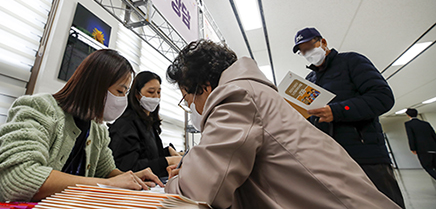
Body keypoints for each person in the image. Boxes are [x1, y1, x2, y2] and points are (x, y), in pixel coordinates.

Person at [164, 39, 400, 209]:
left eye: (188, 99)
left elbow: (197, 194)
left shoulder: (236, 95)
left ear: (205, 87)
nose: (191, 108)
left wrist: (178, 179)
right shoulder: (253, 91)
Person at [0, 49, 162, 204]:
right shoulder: (40, 108)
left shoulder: (97, 129)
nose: (122, 100)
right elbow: (18, 179)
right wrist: (108, 184)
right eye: (120, 91)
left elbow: (107, 170)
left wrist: (132, 178)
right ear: (96, 85)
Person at [292, 27, 405, 208]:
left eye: (309, 47)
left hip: (366, 157)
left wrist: (337, 111)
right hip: (332, 160)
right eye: (303, 51)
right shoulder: (310, 79)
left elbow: (382, 97)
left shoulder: (351, 61)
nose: (307, 53)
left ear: (323, 42)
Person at [108, 71, 182, 178]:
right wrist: (167, 161)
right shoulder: (126, 124)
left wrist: (168, 151)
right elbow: (128, 167)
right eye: (151, 92)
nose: (156, 97)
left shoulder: (148, 123)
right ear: (137, 94)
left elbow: (150, 154)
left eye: (158, 92)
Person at [405, 108, 436, 180]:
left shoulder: (408, 124)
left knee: (427, 167)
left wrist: (412, 148)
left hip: (422, 149)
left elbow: (411, 136)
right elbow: (433, 135)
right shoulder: (426, 123)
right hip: (433, 148)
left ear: (408, 115)